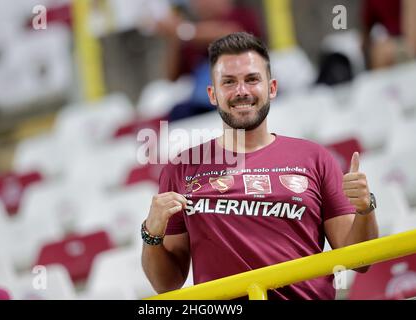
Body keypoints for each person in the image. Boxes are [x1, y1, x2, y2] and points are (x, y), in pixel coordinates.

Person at [141, 32, 379, 300]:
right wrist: (151, 234)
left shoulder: (315, 157)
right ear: (212, 94)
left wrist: (364, 208)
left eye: (252, 79)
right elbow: (167, 285)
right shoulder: (182, 167)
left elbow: (360, 260)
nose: (241, 91)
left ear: (272, 88)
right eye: (228, 82)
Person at [151, 0, 263, 121]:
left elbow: (231, 34)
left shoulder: (241, 16)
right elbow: (172, 76)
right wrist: (173, 37)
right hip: (205, 106)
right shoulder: (191, 36)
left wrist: (181, 30)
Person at [361, 0, 416, 69]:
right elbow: (365, 30)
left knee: (382, 54)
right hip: (393, 41)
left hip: (406, 42)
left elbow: (412, 41)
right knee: (379, 52)